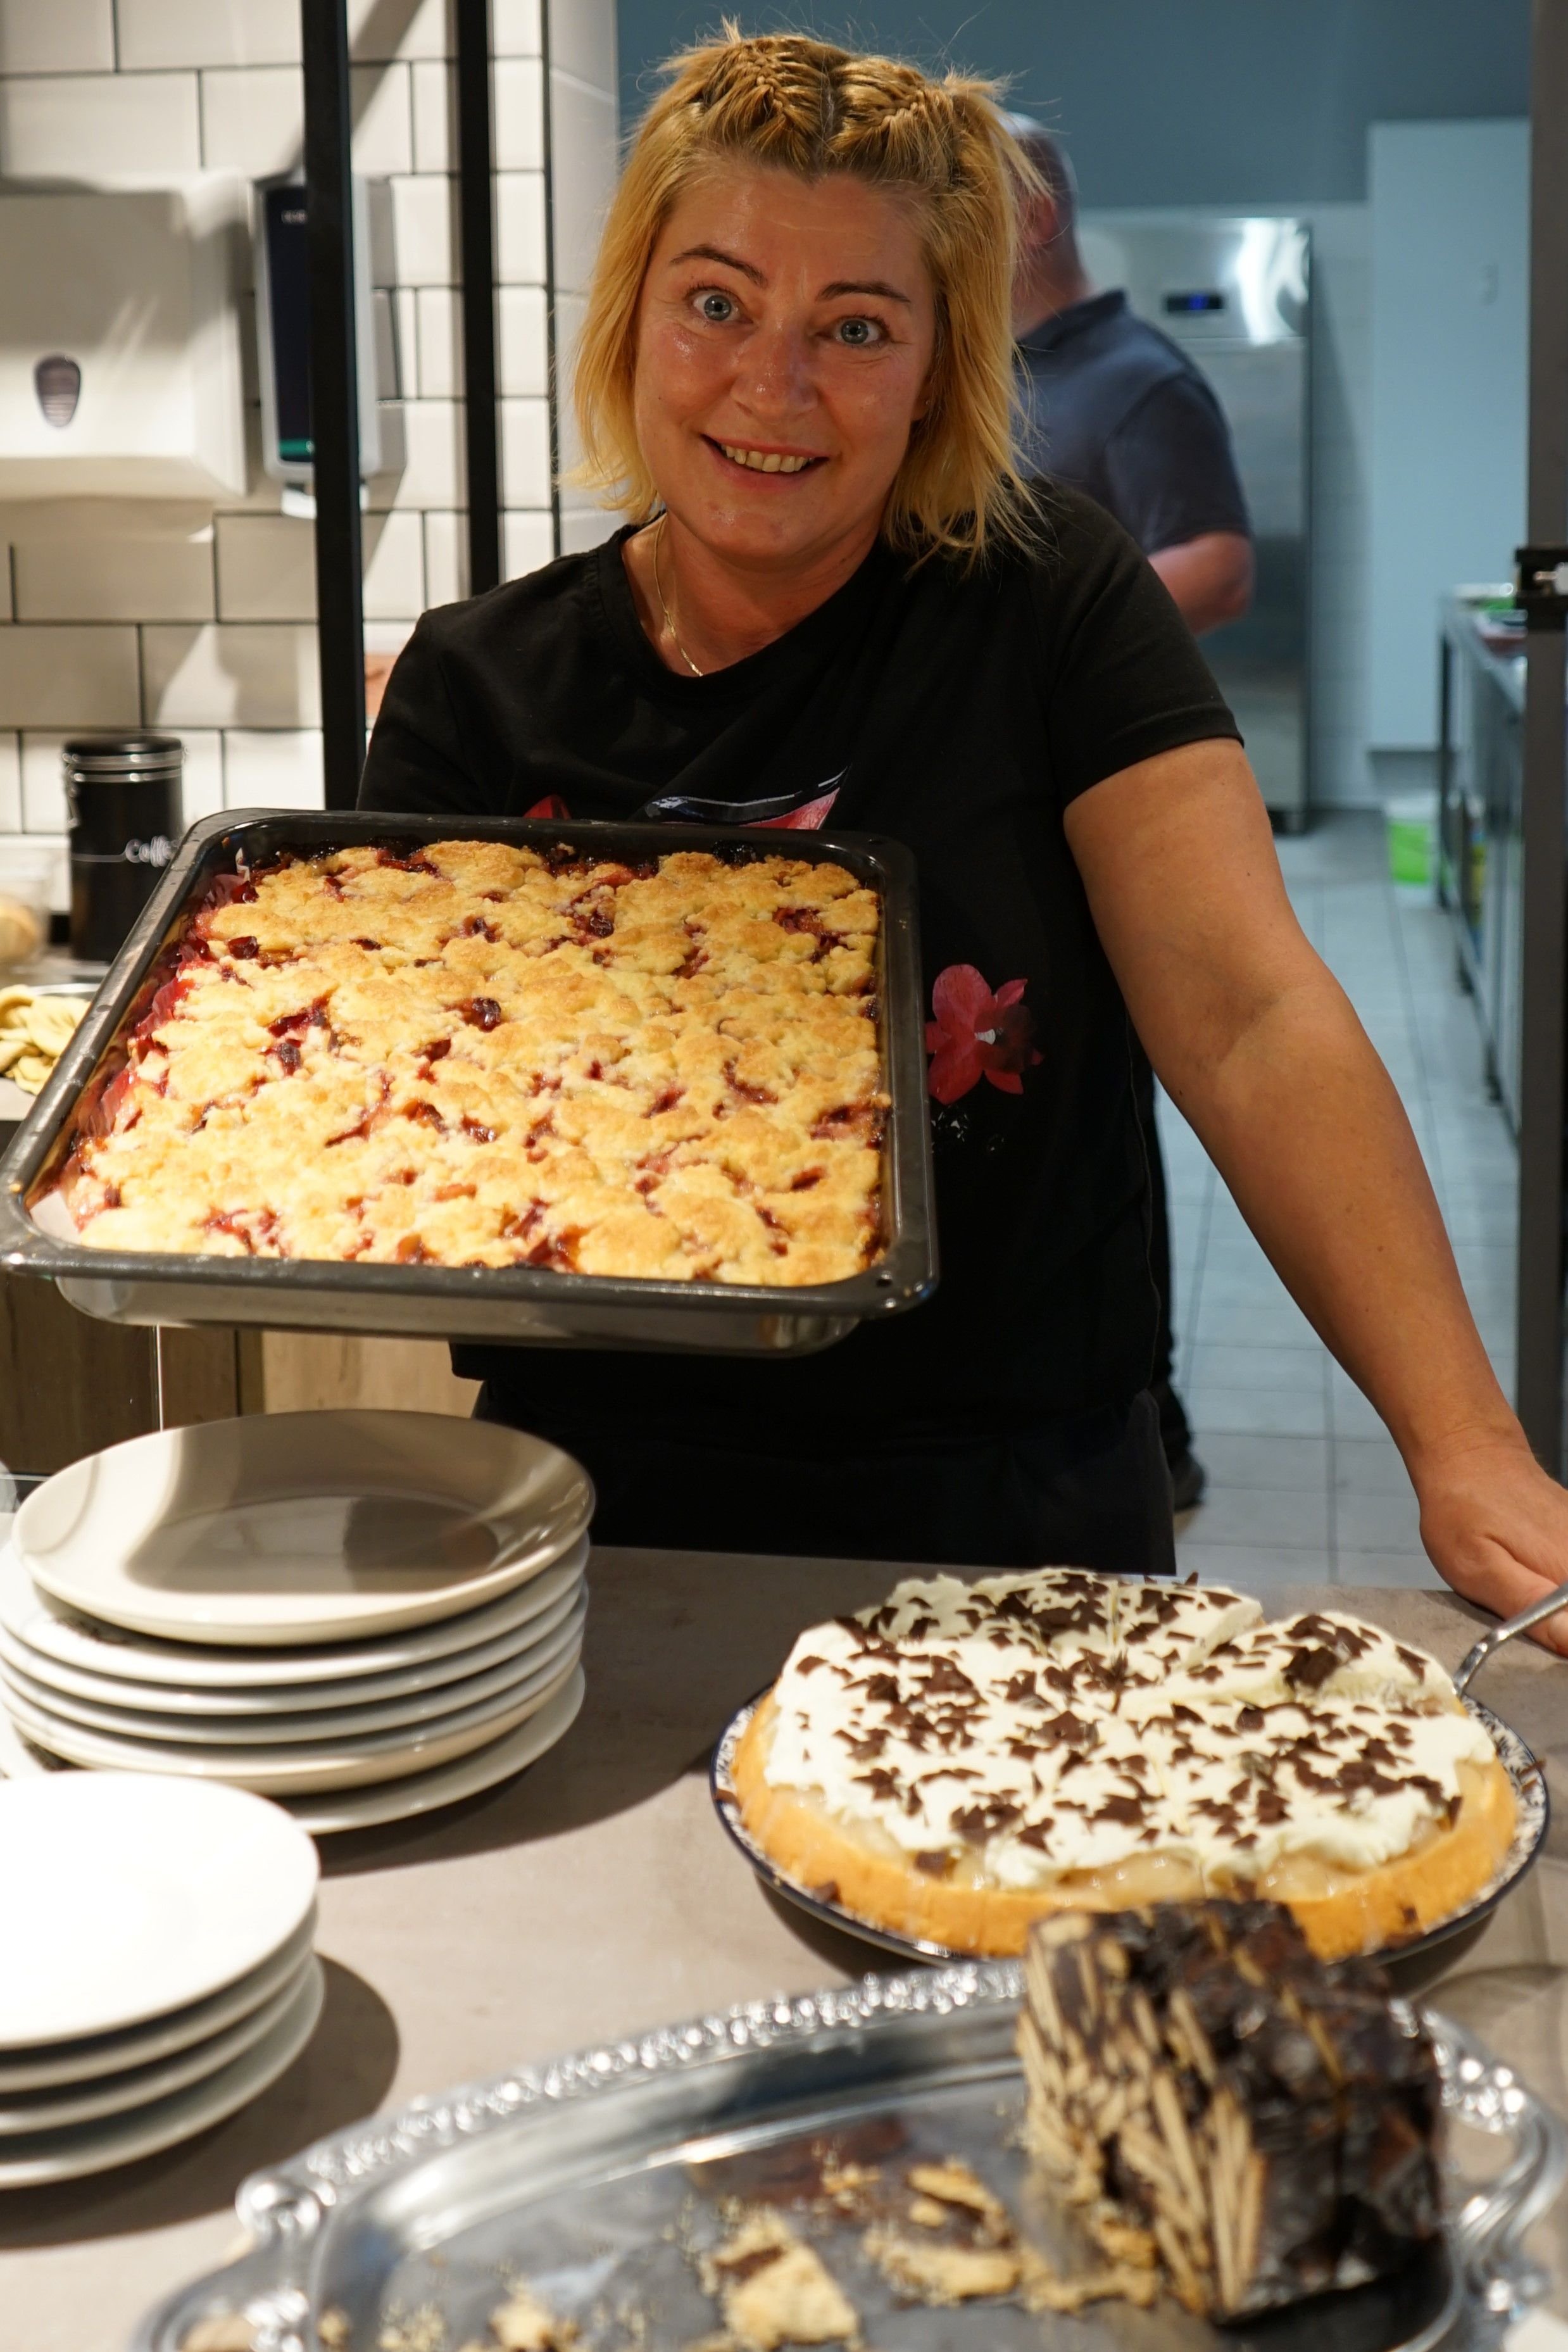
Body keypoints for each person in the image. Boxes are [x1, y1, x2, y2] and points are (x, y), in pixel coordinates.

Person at [361, 31, 1568, 1647]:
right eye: (718, 301)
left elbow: (1247, 1011)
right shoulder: (474, 684)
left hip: (1016, 1506)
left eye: (854, 328)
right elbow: (396, 1119)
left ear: (938, 365)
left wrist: (1467, 1443)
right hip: (599, 1511)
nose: (773, 385)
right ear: (634, 312)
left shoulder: (1050, 604)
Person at [1010, 121, 1254, 1512]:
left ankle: (1150, 1415)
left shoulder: (1137, 378)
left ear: (1032, 220)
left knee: (1104, 1108)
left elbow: (1220, 564)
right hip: (1014, 816)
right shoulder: (998, 376)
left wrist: (1045, 643)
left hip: (1106, 812)